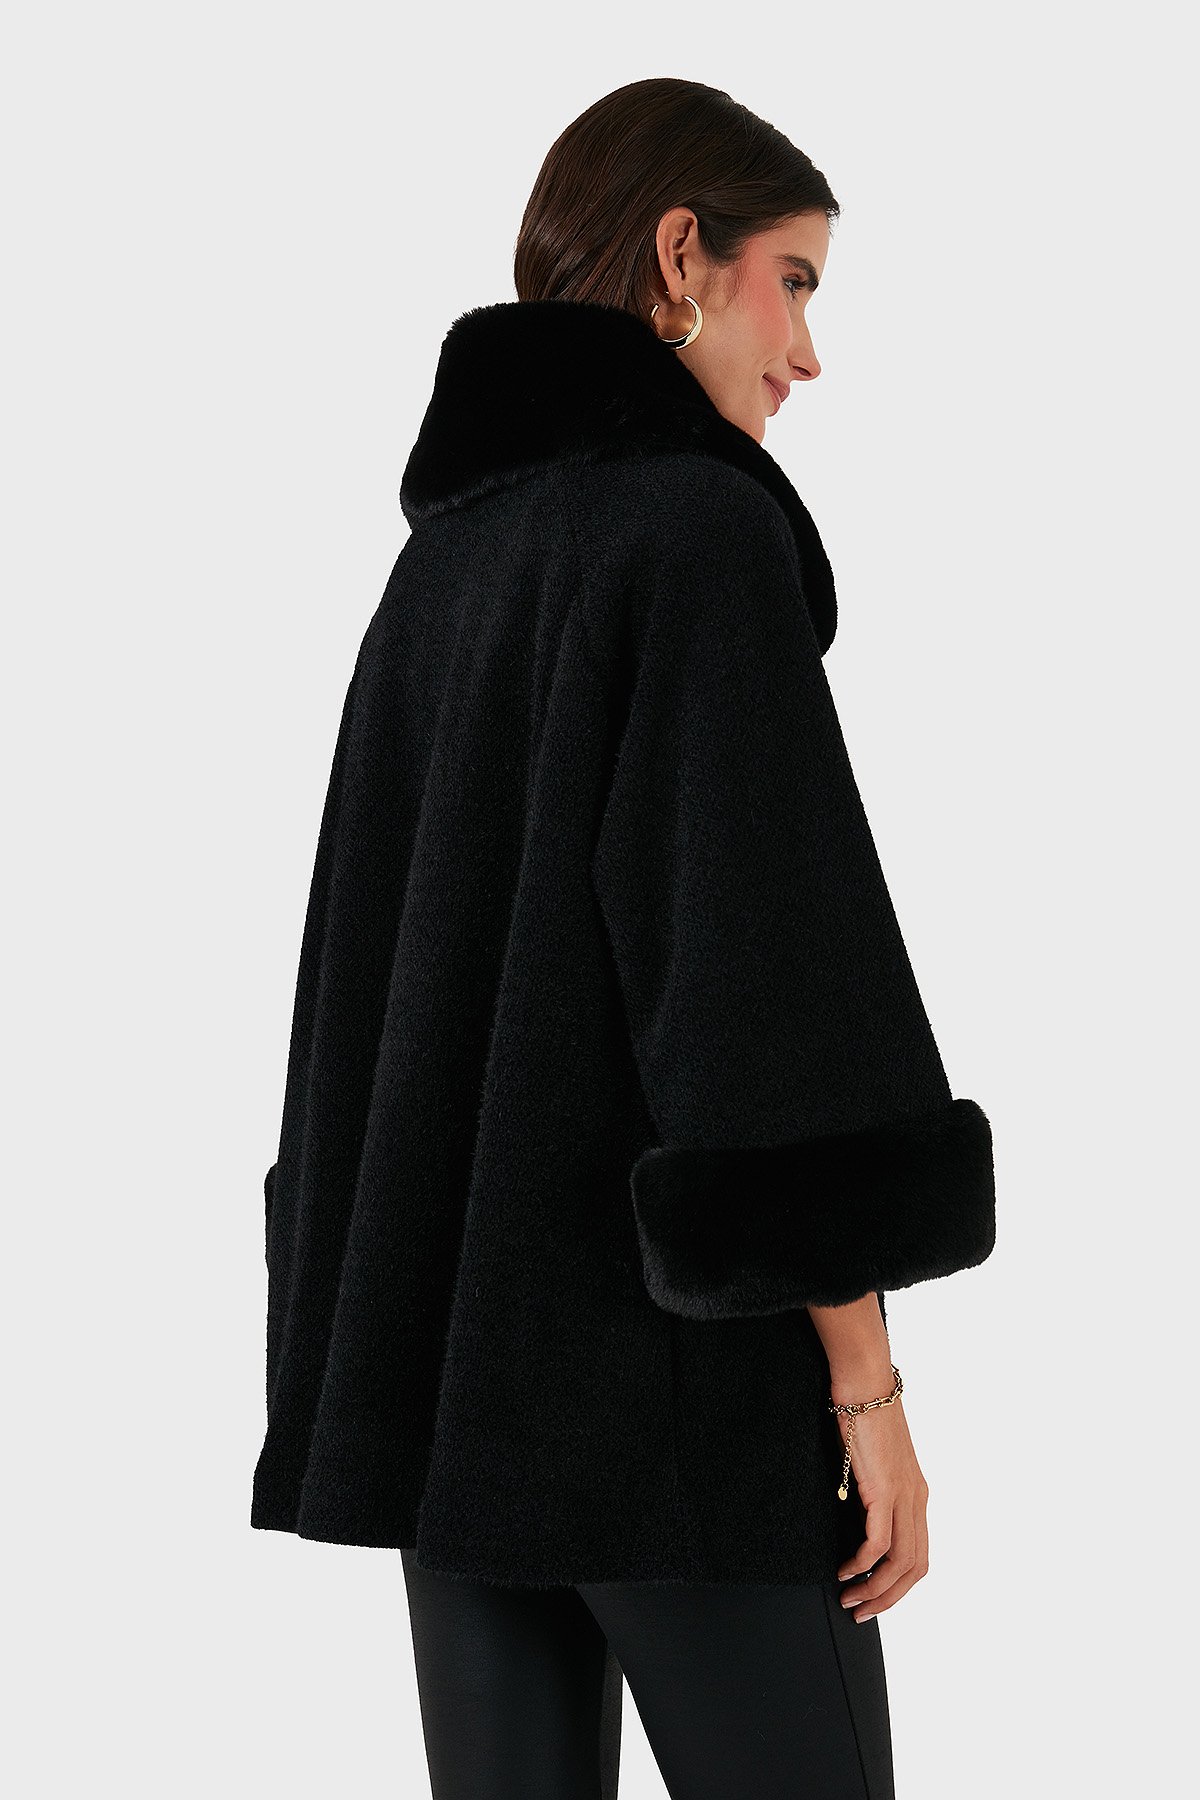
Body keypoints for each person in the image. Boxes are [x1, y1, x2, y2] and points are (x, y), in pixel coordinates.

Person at [251, 77, 996, 1799]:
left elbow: (360, 1001)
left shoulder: (445, 569)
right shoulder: (695, 533)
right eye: (792, 282)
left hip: (455, 1409)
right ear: (681, 256)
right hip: (672, 1412)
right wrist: (868, 1393)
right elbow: (770, 1000)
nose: (808, 354)